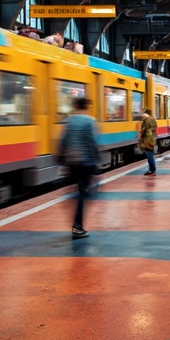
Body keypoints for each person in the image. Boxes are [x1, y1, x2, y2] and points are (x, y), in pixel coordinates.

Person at [59, 96, 99, 239]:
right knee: (83, 194)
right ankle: (77, 226)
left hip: (71, 163)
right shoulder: (89, 121)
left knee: (78, 192)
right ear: (86, 106)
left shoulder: (69, 121)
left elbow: (62, 142)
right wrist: (96, 163)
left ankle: (76, 222)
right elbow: (92, 143)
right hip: (85, 162)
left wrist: (62, 159)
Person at [139, 107, 158, 177]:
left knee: (149, 155)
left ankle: (152, 170)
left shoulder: (147, 120)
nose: (142, 115)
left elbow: (144, 129)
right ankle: (151, 169)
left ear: (146, 114)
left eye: (143, 113)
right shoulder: (152, 119)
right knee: (150, 155)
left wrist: (141, 135)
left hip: (148, 140)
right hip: (151, 139)